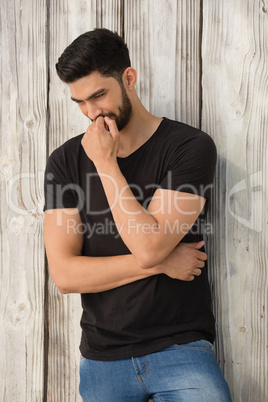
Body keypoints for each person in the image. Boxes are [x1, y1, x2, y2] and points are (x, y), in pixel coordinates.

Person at [43, 28, 231, 401]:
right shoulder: (64, 162)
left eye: (99, 95)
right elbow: (64, 275)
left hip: (180, 352)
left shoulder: (188, 148)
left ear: (128, 78)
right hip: (101, 362)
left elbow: (149, 245)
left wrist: (106, 165)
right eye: (80, 102)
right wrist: (161, 264)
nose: (92, 113)